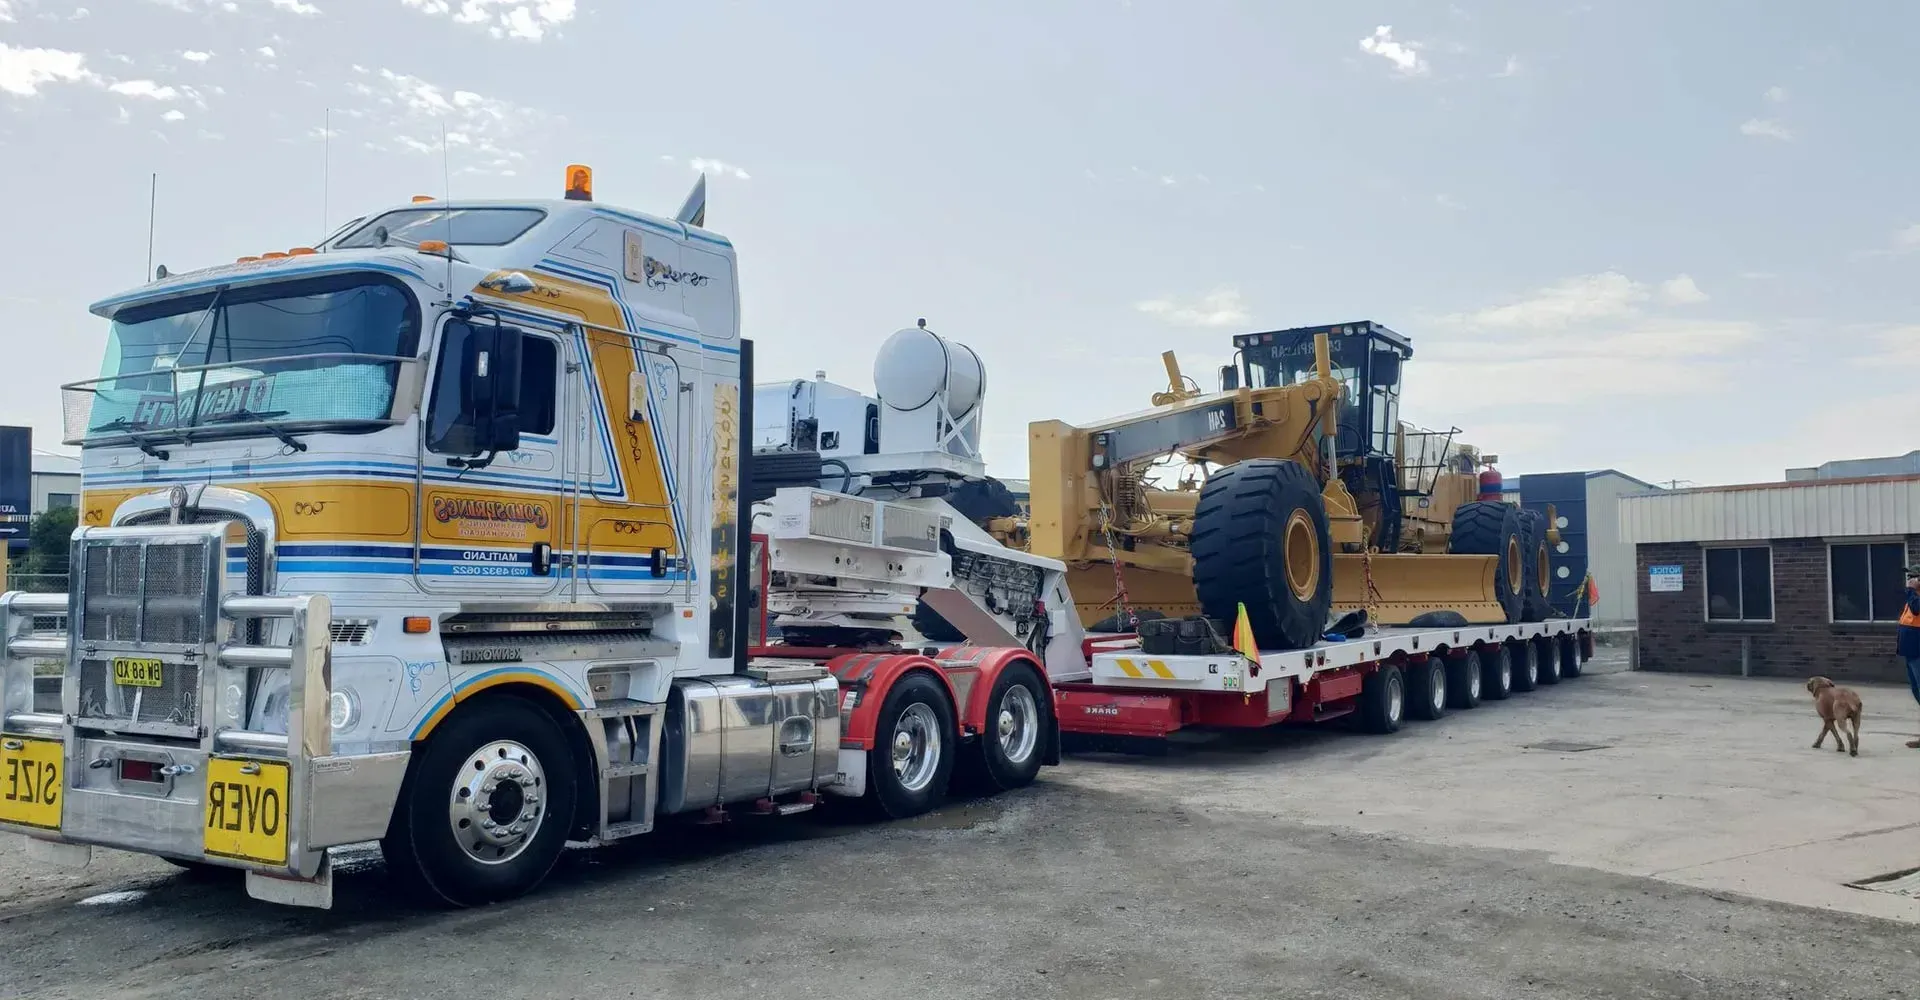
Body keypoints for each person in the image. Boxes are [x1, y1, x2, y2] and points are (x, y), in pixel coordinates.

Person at [1900, 570, 1920, 749]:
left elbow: (1916, 609)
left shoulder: (1915, 597)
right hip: (1911, 650)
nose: (1910, 581)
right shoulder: (1914, 596)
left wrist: (1912, 591)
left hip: (1918, 650)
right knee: (1917, 691)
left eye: (1913, 577)